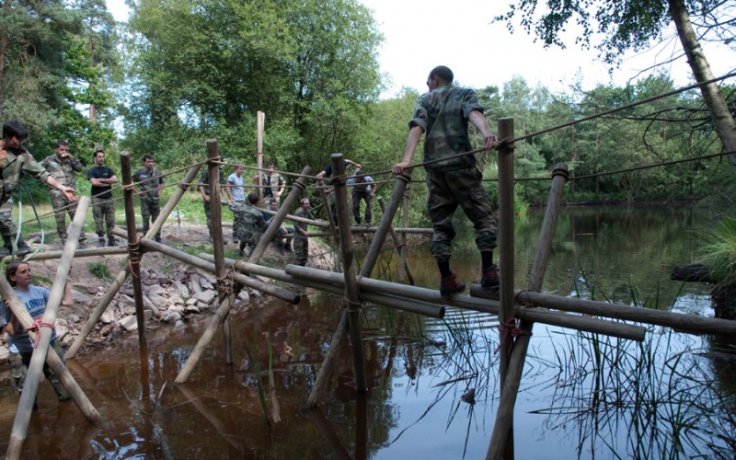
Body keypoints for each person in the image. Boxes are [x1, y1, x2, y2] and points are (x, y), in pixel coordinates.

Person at [392, 66, 501, 297]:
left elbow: (417, 126)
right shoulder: (464, 94)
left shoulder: (425, 99)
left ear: (435, 78)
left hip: (436, 172)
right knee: (484, 219)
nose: (426, 86)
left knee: (440, 226)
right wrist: (487, 133)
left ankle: (446, 280)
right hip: (461, 167)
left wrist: (406, 160)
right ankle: (489, 273)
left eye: (428, 81)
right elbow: (474, 114)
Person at [0, 121, 79, 256]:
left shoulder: (22, 154)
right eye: (16, 139)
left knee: (4, 217)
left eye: (21, 140)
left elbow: (41, 173)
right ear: (6, 136)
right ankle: (13, 245)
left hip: (3, 195)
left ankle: (17, 245)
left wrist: (61, 187)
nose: (19, 143)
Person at [0, 261, 72, 401]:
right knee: (27, 395)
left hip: (48, 344)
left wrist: (65, 281)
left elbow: (67, 302)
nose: (29, 273)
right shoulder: (7, 300)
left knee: (65, 388)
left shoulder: (40, 291)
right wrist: (14, 310)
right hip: (23, 350)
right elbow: (11, 332)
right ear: (13, 277)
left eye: (29, 270)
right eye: (23, 271)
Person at [42, 140, 87, 248]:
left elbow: (80, 168)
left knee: (76, 216)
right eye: (62, 149)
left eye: (66, 149)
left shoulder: (70, 159)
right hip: (57, 193)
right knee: (60, 218)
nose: (64, 151)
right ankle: (64, 240)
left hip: (71, 192)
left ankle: (82, 239)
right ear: (56, 149)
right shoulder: (48, 160)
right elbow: (38, 171)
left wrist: (71, 158)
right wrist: (48, 182)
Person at [87, 149, 117, 247]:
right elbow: (94, 182)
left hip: (109, 198)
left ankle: (111, 239)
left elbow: (115, 179)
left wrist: (100, 180)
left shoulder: (108, 169)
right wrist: (107, 182)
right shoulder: (91, 170)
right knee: (98, 220)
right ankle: (101, 239)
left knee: (111, 220)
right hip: (97, 198)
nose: (101, 159)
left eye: (102, 157)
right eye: (99, 157)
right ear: (95, 158)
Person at [132, 155, 164, 242]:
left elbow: (162, 183)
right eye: (148, 162)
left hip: (155, 199)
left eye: (152, 162)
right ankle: (146, 238)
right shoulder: (140, 172)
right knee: (145, 218)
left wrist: (159, 192)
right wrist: (137, 192)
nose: (150, 163)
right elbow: (129, 182)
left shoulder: (157, 172)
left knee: (157, 219)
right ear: (144, 163)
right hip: (145, 199)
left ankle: (157, 237)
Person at [229, 192, 267, 257]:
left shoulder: (241, 208)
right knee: (254, 242)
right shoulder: (258, 213)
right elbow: (262, 225)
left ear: (248, 199)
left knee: (243, 240)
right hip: (250, 235)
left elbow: (231, 207)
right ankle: (251, 256)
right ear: (257, 202)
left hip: (240, 233)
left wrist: (229, 203)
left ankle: (241, 250)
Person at [198, 168, 225, 242]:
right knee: (210, 217)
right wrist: (204, 196)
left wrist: (223, 197)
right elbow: (201, 184)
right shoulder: (207, 171)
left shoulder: (220, 172)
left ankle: (220, 236)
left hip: (217, 197)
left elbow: (222, 185)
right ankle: (212, 236)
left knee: (218, 217)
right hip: (209, 196)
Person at [292, 198, 312, 266]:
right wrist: (303, 232)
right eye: (306, 204)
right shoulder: (298, 212)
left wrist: (319, 221)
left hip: (304, 236)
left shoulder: (307, 211)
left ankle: (302, 270)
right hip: (298, 236)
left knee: (305, 254)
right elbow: (295, 225)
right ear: (302, 205)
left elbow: (313, 219)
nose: (308, 205)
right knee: (298, 255)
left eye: (308, 203)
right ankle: (295, 271)